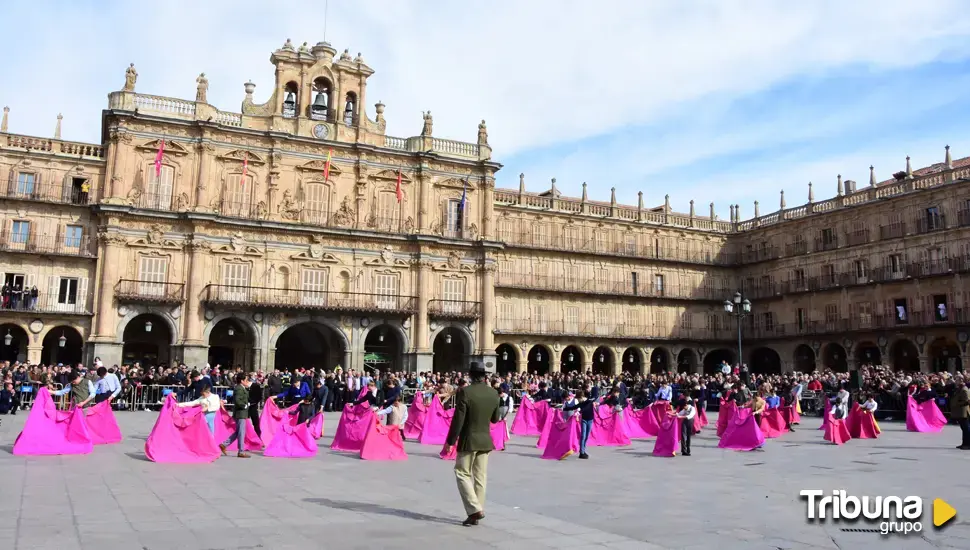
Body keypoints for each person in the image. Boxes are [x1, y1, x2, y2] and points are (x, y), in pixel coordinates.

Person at [442, 362, 500, 527]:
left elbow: (458, 419)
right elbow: (495, 419)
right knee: (480, 477)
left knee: (461, 473)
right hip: (485, 440)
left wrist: (450, 441)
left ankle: (474, 509)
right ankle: (476, 512)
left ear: (471, 375)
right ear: (485, 376)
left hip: (469, 439)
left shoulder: (465, 392)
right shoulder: (493, 393)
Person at [220, 373, 252, 458]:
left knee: (238, 432)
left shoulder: (242, 388)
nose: (247, 382)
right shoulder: (239, 388)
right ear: (242, 381)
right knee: (241, 433)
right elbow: (238, 400)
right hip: (240, 413)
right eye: (246, 380)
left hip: (242, 413)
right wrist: (244, 405)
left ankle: (224, 444)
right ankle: (241, 451)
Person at [562, 390, 596, 460]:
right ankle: (582, 452)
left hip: (590, 420)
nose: (578, 400)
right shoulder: (581, 403)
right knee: (583, 435)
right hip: (583, 420)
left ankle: (583, 450)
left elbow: (585, 408)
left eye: (578, 399)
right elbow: (573, 407)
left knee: (586, 436)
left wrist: (579, 412)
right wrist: (564, 409)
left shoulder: (589, 401)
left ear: (582, 397)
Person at [950, 376, 970, 450]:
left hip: (963, 412)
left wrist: (957, 404)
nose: (955, 381)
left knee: (966, 429)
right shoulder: (959, 389)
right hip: (959, 412)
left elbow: (967, 401)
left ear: (961, 380)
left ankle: (968, 444)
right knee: (964, 428)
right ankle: (964, 443)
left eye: (957, 380)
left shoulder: (964, 389)